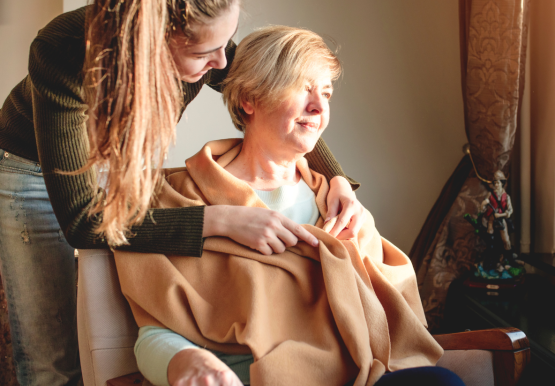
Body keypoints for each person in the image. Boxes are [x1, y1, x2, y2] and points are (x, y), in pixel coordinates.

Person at [0, 1, 364, 385]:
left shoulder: (209, 43)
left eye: (226, 44)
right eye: (205, 53)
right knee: (52, 359)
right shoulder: (64, 49)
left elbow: (262, 87)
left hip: (115, 163)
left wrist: (336, 176)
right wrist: (221, 220)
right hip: (30, 169)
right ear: (154, 42)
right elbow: (84, 223)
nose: (223, 64)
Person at [115, 26, 465, 386]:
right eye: (303, 88)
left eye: (326, 93)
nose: (319, 107)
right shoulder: (181, 199)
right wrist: (186, 361)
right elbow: (155, 332)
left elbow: (389, 315)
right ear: (249, 99)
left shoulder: (337, 204)